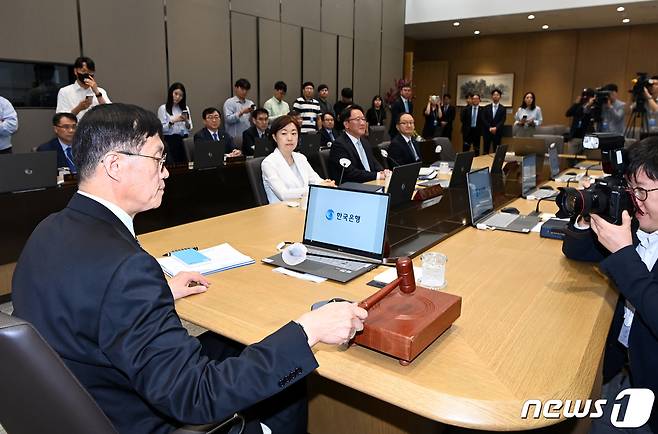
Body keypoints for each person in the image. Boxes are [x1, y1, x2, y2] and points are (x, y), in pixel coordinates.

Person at [12, 103, 367, 434]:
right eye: (157, 159)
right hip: (141, 420)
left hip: (90, 401)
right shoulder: (126, 270)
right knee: (290, 383)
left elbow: (85, 300)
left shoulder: (49, 229)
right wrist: (309, 329)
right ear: (115, 165)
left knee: (227, 341)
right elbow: (197, 398)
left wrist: (158, 292)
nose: (166, 172)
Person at [562, 137, 658, 433]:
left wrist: (624, 254)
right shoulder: (641, 222)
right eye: (631, 189)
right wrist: (589, 213)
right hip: (622, 364)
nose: (634, 199)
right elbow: (576, 251)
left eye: (642, 190)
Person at [261, 115, 335, 204]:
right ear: (274, 137)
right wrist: (316, 188)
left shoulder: (300, 157)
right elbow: (283, 194)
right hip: (281, 212)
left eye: (294, 133)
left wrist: (326, 184)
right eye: (284, 133)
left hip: (303, 206)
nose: (290, 138)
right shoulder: (269, 163)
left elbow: (315, 179)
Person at [329, 105, 390, 183]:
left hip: (371, 184)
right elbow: (350, 173)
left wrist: (383, 172)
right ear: (346, 124)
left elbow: (374, 163)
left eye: (363, 119)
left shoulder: (365, 142)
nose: (362, 123)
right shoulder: (339, 145)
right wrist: (377, 175)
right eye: (358, 119)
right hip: (353, 188)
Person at [157, 82, 193, 164]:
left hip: (184, 139)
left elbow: (189, 127)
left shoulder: (185, 108)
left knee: (185, 164)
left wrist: (186, 120)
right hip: (170, 140)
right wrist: (172, 121)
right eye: (176, 93)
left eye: (181, 95)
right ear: (171, 93)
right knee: (173, 165)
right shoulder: (163, 108)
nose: (178, 97)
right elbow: (161, 129)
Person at [482, 88, 506, 154]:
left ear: (500, 97)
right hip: (487, 131)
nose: (496, 96)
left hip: (497, 132)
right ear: (492, 96)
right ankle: (485, 163)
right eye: (494, 95)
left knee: (496, 151)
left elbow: (502, 120)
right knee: (485, 150)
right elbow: (484, 119)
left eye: (497, 95)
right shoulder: (486, 107)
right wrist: (489, 127)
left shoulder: (503, 108)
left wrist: (496, 128)